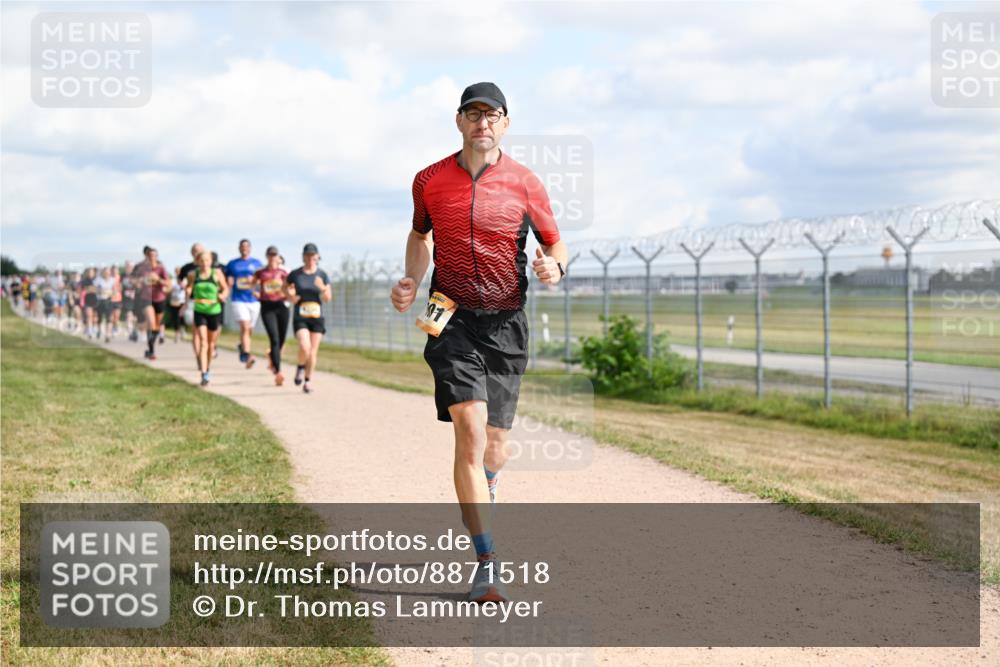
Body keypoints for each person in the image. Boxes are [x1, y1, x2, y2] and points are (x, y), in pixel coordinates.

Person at [390, 82, 567, 603]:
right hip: (449, 315)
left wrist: (554, 265)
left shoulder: (525, 182)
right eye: (473, 114)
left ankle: (487, 483)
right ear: (459, 121)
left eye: (492, 115)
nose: (482, 123)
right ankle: (486, 561)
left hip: (507, 319)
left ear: (506, 123)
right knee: (468, 429)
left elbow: (554, 242)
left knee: (495, 446)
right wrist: (410, 279)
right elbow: (420, 236)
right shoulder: (429, 180)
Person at [285, 243, 331, 394]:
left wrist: (322, 288)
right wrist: (291, 296)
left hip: (317, 317)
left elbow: (328, 298)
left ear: (317, 257)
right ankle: (300, 366)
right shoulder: (295, 274)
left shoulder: (322, 275)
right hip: (301, 316)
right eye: (308, 255)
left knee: (312, 352)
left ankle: (307, 381)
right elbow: (284, 288)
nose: (310, 258)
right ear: (303, 256)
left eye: (313, 255)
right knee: (305, 347)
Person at [186, 250, 229, 386]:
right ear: (198, 262)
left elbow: (225, 288)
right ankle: (204, 373)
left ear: (211, 261)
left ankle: (207, 368)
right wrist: (187, 290)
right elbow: (189, 287)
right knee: (203, 342)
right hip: (199, 310)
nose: (204, 263)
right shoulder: (193, 274)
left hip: (214, 311)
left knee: (211, 344)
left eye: (207, 260)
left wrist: (223, 295)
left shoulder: (217, 274)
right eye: (202, 261)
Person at [253, 246, 290, 386]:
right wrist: (255, 293)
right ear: (267, 256)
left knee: (281, 339)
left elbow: (290, 287)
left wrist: (288, 294)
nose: (273, 257)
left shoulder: (283, 272)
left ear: (278, 256)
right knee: (274, 338)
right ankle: (278, 371)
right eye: (270, 254)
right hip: (267, 307)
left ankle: (272, 357)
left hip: (282, 307)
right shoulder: (261, 272)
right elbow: (251, 284)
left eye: (275, 255)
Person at [225, 239, 263, 368]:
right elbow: (226, 280)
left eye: (247, 246)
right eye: (242, 246)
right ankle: (246, 355)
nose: (244, 248)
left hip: (253, 300)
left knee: (249, 330)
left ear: (250, 248)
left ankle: (242, 346)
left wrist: (255, 281)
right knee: (245, 327)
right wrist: (228, 284)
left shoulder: (257, 263)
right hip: (238, 299)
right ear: (239, 248)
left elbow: (262, 281)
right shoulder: (232, 264)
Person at [131, 246, 171, 360]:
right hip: (146, 298)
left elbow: (168, 284)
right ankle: (152, 351)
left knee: (157, 327)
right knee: (151, 323)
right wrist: (141, 281)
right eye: (150, 255)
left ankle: (149, 349)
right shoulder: (140, 267)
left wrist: (158, 279)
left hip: (159, 299)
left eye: (154, 255)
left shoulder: (161, 268)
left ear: (157, 256)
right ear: (146, 256)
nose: (152, 257)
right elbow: (132, 281)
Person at [93, 266, 117, 342]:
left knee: (109, 318)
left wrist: (112, 293)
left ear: (109, 273)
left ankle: (107, 335)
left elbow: (115, 291)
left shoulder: (112, 280)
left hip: (108, 301)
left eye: (108, 272)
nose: (106, 274)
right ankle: (99, 330)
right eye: (105, 272)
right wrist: (100, 290)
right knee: (99, 318)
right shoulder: (98, 280)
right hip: (100, 301)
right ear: (103, 273)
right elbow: (94, 289)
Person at [166, 267, 187, 343]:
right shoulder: (173, 280)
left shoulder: (184, 280)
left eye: (179, 271)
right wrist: (170, 289)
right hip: (174, 302)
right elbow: (168, 289)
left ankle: (182, 329)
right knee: (175, 318)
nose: (177, 272)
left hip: (182, 302)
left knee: (181, 318)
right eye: (176, 271)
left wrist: (182, 285)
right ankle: (177, 334)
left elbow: (187, 289)